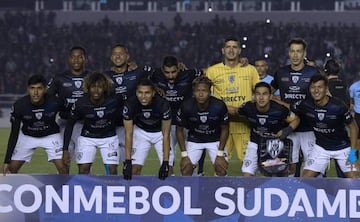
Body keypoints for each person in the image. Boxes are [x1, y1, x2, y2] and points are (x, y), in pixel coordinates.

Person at [291, 74, 358, 178]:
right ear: (309, 89)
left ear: (326, 89)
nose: (316, 91)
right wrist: (274, 99)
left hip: (342, 148)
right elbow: (290, 108)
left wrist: (353, 153)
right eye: (313, 87)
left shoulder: (338, 106)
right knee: (305, 180)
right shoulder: (305, 105)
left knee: (354, 181)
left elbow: (353, 127)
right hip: (321, 148)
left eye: (320, 87)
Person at [206, 36, 260, 163]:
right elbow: (205, 95)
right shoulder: (212, 71)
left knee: (250, 165)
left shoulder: (250, 69)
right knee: (220, 165)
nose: (231, 50)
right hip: (221, 126)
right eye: (228, 47)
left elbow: (259, 93)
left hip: (245, 125)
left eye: (234, 47)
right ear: (223, 50)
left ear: (239, 50)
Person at [228, 82, 299, 176]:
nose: (261, 98)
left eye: (264, 94)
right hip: (255, 144)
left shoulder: (280, 110)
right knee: (247, 175)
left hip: (274, 145)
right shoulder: (248, 107)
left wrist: (286, 131)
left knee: (279, 175)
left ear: (270, 96)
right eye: (258, 94)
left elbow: (296, 119)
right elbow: (234, 111)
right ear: (254, 96)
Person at [103, 43, 154, 174]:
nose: (118, 56)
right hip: (112, 128)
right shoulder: (105, 76)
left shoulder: (137, 72)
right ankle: (111, 190)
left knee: (132, 168)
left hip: (133, 127)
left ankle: (131, 191)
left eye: (121, 54)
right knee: (112, 167)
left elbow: (156, 73)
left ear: (127, 57)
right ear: (110, 57)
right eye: (115, 54)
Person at [271, 37, 318, 176]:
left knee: (311, 165)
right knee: (289, 166)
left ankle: (310, 193)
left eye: (299, 51)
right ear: (289, 53)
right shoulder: (281, 72)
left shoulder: (313, 73)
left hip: (309, 127)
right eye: (292, 51)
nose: (295, 55)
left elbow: (323, 95)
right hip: (288, 127)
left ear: (304, 53)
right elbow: (268, 92)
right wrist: (278, 102)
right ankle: (290, 193)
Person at [2, 75, 67, 175]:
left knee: (64, 169)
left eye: (39, 88)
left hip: (51, 135)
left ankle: (62, 189)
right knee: (9, 170)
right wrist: (6, 161)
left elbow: (68, 115)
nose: (35, 93)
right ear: (28, 89)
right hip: (27, 136)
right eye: (32, 88)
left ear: (45, 89)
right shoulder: (19, 105)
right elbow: (14, 133)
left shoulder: (55, 101)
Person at [151, 55, 205, 175]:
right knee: (168, 160)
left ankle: (197, 178)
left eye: (173, 72)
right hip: (167, 123)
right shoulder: (156, 74)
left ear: (179, 68)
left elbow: (207, 73)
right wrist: (154, 87)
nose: (170, 76)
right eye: (167, 72)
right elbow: (141, 79)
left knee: (192, 158)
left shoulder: (189, 74)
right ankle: (171, 186)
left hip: (187, 122)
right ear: (162, 69)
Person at [62, 72, 123, 175]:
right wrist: (65, 149)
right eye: (93, 87)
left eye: (99, 87)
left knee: (112, 170)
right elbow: (69, 124)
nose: (96, 90)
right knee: (83, 169)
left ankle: (110, 189)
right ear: (88, 88)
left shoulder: (115, 100)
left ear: (105, 88)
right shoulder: (80, 103)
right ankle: (86, 190)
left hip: (109, 137)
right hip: (88, 137)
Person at [176, 76, 229, 176]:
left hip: (215, 139)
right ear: (193, 92)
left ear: (210, 91)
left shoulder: (219, 106)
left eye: (204, 91)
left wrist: (220, 154)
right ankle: (194, 182)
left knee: (221, 169)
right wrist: (184, 155)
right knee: (186, 169)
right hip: (194, 139)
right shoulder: (186, 106)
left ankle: (220, 190)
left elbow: (225, 129)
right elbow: (179, 130)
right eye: (197, 91)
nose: (200, 94)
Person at [47, 46, 89, 171]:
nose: (76, 60)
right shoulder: (59, 78)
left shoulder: (92, 77)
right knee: (63, 165)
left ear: (85, 59)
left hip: (84, 125)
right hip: (64, 124)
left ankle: (85, 188)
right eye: (73, 57)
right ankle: (65, 189)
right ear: (69, 59)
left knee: (84, 166)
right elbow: (47, 98)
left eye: (79, 56)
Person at [122, 78, 171, 180]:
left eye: (147, 93)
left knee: (168, 170)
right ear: (136, 92)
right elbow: (128, 133)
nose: (143, 97)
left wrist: (165, 162)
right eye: (140, 93)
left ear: (153, 93)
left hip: (160, 133)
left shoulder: (163, 105)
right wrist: (127, 161)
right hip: (141, 132)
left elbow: (166, 134)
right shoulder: (130, 104)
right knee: (134, 170)